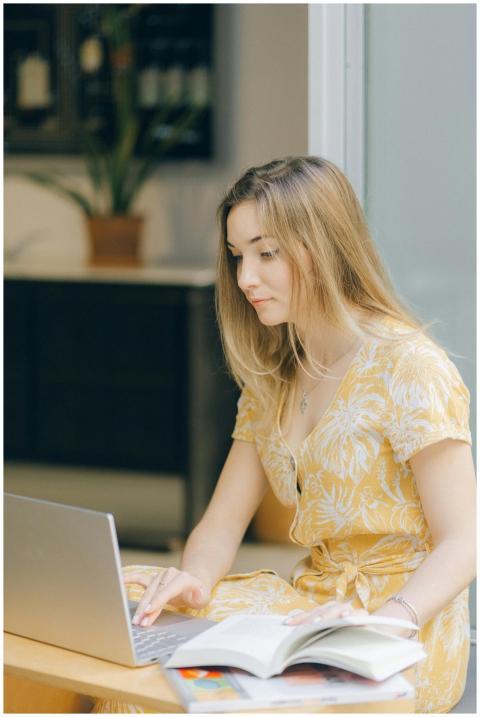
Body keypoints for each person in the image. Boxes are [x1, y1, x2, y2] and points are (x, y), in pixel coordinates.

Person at [92, 156, 475, 714]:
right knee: (128, 601)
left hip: (400, 627)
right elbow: (220, 527)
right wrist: (192, 581)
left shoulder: (408, 365)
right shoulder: (273, 377)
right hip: (310, 604)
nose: (246, 277)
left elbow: (464, 542)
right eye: (237, 256)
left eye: (266, 253)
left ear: (323, 245)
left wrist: (387, 622)